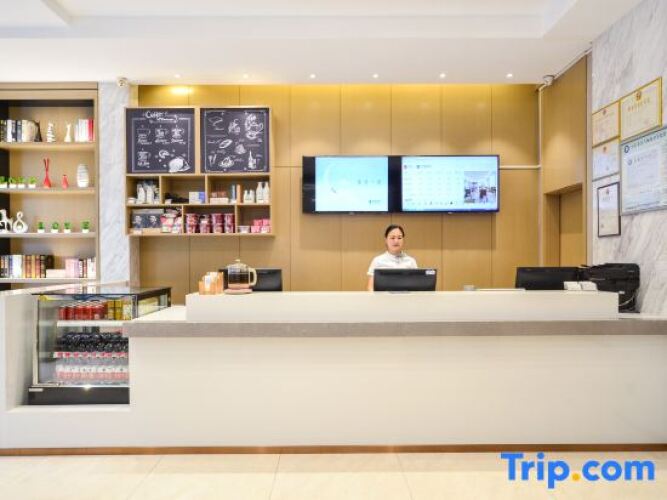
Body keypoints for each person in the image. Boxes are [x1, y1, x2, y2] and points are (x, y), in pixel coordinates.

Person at [367, 224, 418, 291]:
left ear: (403, 239)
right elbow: (370, 287)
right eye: (392, 238)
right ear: (386, 240)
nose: (396, 241)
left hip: (405, 297)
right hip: (383, 297)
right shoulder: (377, 261)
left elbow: (416, 286)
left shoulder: (411, 261)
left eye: (399, 238)